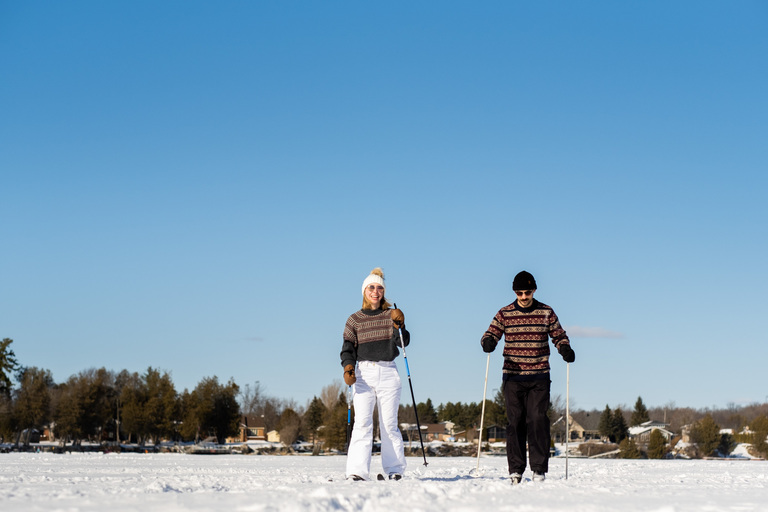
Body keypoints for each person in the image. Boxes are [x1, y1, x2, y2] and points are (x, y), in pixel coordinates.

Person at [480, 270, 575, 484]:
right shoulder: (505, 313)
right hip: (513, 376)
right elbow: (490, 333)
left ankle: (539, 469)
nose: (524, 297)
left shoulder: (546, 312)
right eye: (520, 292)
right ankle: (516, 469)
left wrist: (565, 349)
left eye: (527, 292)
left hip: (539, 375)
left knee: (537, 420)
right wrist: (489, 342)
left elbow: (559, 335)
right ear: (515, 292)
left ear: (534, 291)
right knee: (516, 423)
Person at [340, 267, 409, 481]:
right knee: (362, 423)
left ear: (384, 292)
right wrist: (348, 368)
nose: (375, 291)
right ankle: (357, 471)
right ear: (364, 291)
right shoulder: (354, 319)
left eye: (379, 288)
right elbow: (347, 348)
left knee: (389, 424)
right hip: (363, 373)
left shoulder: (391, 315)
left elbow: (404, 343)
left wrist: (401, 325)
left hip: (388, 371)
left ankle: (395, 469)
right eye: (371, 287)